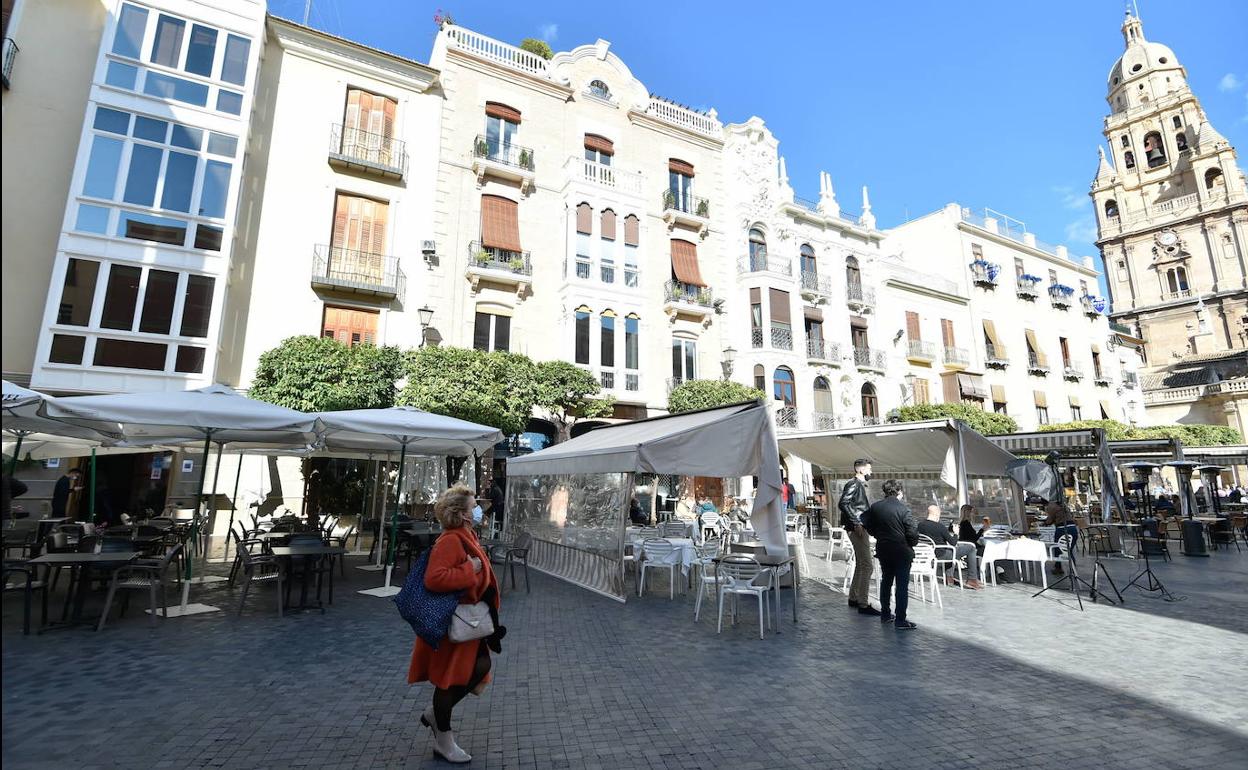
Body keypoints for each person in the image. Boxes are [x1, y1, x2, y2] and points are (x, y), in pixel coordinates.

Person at [408, 485, 505, 764]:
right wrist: (470, 569)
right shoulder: (451, 540)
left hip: (471, 623)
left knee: (476, 669)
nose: (478, 509)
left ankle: (435, 717)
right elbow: (434, 579)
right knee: (450, 681)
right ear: (462, 514)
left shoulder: (467, 535)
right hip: (457, 624)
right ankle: (444, 739)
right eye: (474, 506)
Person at [861, 480, 920, 630]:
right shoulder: (903, 509)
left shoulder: (876, 507)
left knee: (886, 581)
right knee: (901, 585)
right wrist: (911, 543)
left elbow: (865, 521)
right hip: (901, 550)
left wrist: (877, 534)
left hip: (884, 549)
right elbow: (912, 532)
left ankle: (885, 614)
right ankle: (900, 619)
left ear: (885, 491)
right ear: (899, 492)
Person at [839, 459, 879, 615]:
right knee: (867, 565)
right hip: (857, 529)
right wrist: (856, 523)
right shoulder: (854, 484)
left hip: (858, 527)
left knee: (862, 564)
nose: (870, 472)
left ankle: (854, 597)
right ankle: (863, 602)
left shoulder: (857, 485)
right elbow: (843, 503)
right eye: (869, 469)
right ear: (861, 470)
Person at [918, 505, 983, 589]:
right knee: (971, 547)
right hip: (941, 554)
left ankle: (949, 578)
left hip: (930, 554)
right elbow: (953, 543)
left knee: (950, 551)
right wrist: (956, 533)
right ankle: (972, 579)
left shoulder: (920, 525)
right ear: (937, 514)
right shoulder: (940, 527)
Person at [1042, 502, 1077, 574]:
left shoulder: (1051, 506)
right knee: (1068, 550)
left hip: (1062, 529)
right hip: (1073, 529)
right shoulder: (1064, 504)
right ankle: (1073, 569)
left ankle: (1058, 568)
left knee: (1058, 548)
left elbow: (1049, 520)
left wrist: (1044, 523)